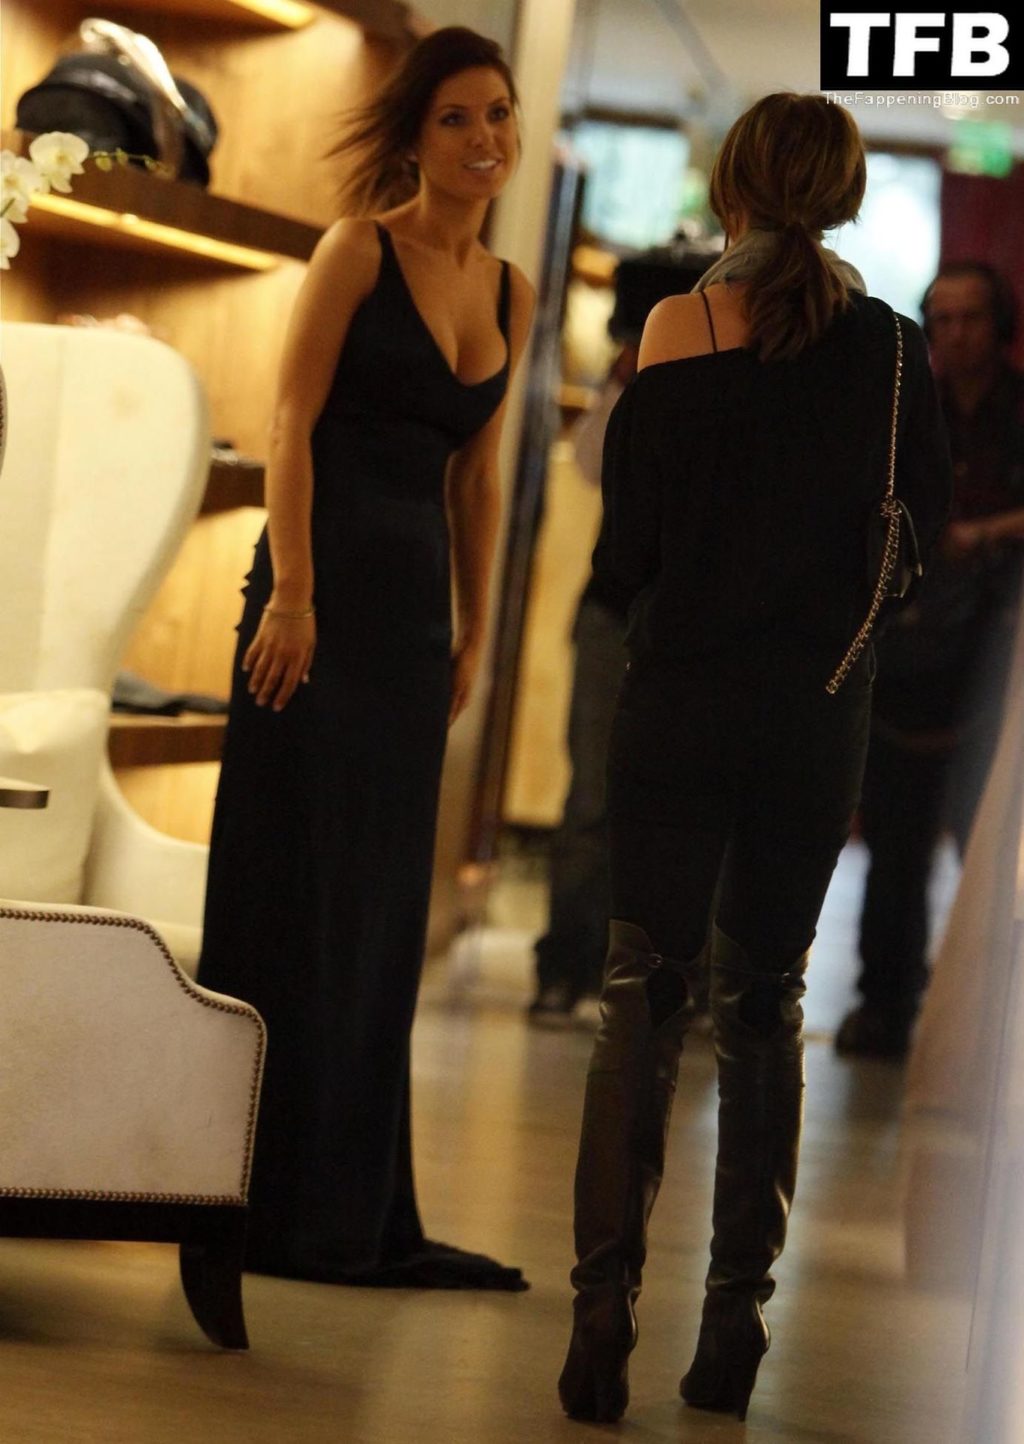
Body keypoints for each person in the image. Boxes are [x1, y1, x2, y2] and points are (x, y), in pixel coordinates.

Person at [556, 92, 952, 1423]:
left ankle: (601, 1313)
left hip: (680, 708)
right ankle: (734, 1325)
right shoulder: (895, 356)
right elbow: (918, 549)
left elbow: (627, 555)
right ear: (841, 196)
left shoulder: (681, 326)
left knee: (641, 996)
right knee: (766, 1007)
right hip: (814, 719)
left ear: (732, 183)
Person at [196, 27, 534, 1289]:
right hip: (314, 604)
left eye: (496, 113)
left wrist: (478, 628)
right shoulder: (357, 248)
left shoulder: (511, 290)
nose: (484, 138)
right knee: (293, 888)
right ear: (413, 135)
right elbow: (289, 423)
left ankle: (349, 1207)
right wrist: (292, 593)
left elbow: (479, 479)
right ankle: (247, 1198)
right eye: (455, 117)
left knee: (383, 911)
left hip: (411, 628)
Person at [837, 261, 1024, 1058]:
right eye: (941, 319)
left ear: (999, 323)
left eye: (970, 318)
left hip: (1000, 649)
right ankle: (886, 1003)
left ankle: (987, 1022)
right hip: (913, 648)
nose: (955, 334)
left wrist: (985, 535)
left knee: (992, 848)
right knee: (895, 841)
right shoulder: (911, 408)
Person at [528, 346, 635, 1028]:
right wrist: (622, 379)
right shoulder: (648, 367)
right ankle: (565, 965)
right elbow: (589, 464)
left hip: (700, 622)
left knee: (684, 809)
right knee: (591, 798)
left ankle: (650, 979)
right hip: (614, 608)